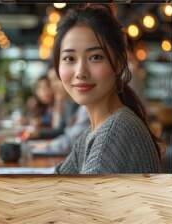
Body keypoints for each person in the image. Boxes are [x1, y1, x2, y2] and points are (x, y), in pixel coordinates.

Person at [53, 4, 163, 174]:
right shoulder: (92, 133)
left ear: (119, 64)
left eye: (95, 57)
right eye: (69, 58)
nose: (80, 72)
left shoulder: (113, 135)